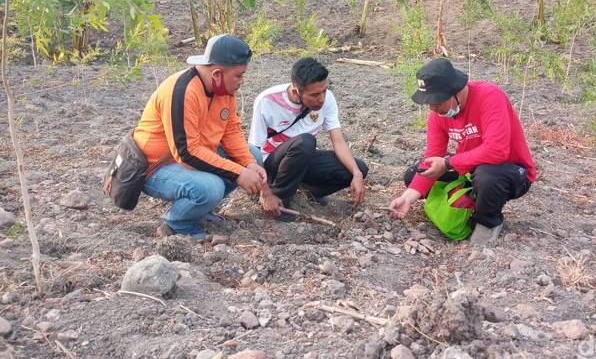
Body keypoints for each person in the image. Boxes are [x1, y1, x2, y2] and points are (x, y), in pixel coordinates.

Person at [133, 34, 283, 240]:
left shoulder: (224, 89)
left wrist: (248, 164)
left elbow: (230, 131)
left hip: (189, 157)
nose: (242, 81)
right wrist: (238, 172)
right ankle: (177, 223)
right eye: (239, 75)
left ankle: (199, 211)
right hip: (154, 168)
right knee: (211, 187)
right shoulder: (182, 91)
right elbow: (186, 153)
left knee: (253, 156)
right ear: (217, 73)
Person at [389, 58, 536, 245]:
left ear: (456, 92)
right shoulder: (439, 115)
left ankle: (487, 221)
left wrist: (449, 163)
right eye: (429, 102)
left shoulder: (490, 96)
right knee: (415, 174)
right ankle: (471, 201)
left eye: (437, 101)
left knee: (487, 176)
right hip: (470, 169)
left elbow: (497, 150)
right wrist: (407, 197)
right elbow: (431, 158)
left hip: (509, 171)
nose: (432, 107)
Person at [248, 57, 368, 221]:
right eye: (315, 94)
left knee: (359, 167)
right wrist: (265, 191)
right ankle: (279, 199)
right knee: (305, 142)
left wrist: (357, 174)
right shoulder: (268, 101)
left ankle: (310, 190)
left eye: (324, 91)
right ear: (296, 92)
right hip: (272, 164)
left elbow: (338, 140)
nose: (322, 98)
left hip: (302, 158)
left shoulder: (328, 99)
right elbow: (253, 149)